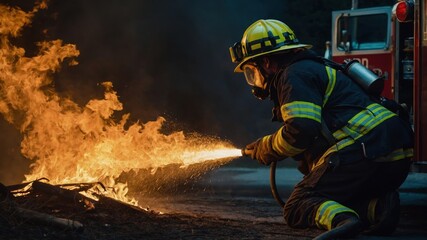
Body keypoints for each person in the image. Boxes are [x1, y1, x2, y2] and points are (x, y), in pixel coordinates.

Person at [229, 19, 414, 239]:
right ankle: (378, 208)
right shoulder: (316, 67)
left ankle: (344, 221)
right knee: (329, 193)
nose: (255, 81)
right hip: (395, 155)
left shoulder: (293, 75)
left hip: (364, 150)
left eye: (252, 71)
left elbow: (301, 130)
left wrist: (266, 147)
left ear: (266, 62)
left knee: (299, 204)